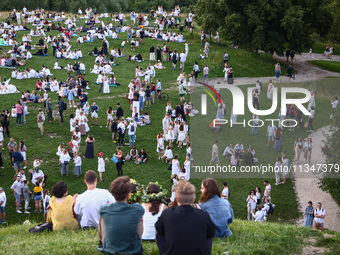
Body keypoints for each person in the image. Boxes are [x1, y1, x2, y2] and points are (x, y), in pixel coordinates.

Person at [155, 181, 215, 255]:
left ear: (176, 199)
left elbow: (158, 230)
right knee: (209, 236)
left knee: (159, 232)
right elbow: (211, 233)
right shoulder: (204, 215)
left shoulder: (167, 213)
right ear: (194, 199)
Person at [98, 176, 145, 254]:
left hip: (110, 250)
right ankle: (136, 242)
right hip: (133, 251)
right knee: (139, 218)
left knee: (103, 218)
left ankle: (101, 242)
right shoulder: (137, 209)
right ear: (128, 195)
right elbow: (137, 207)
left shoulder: (104, 209)